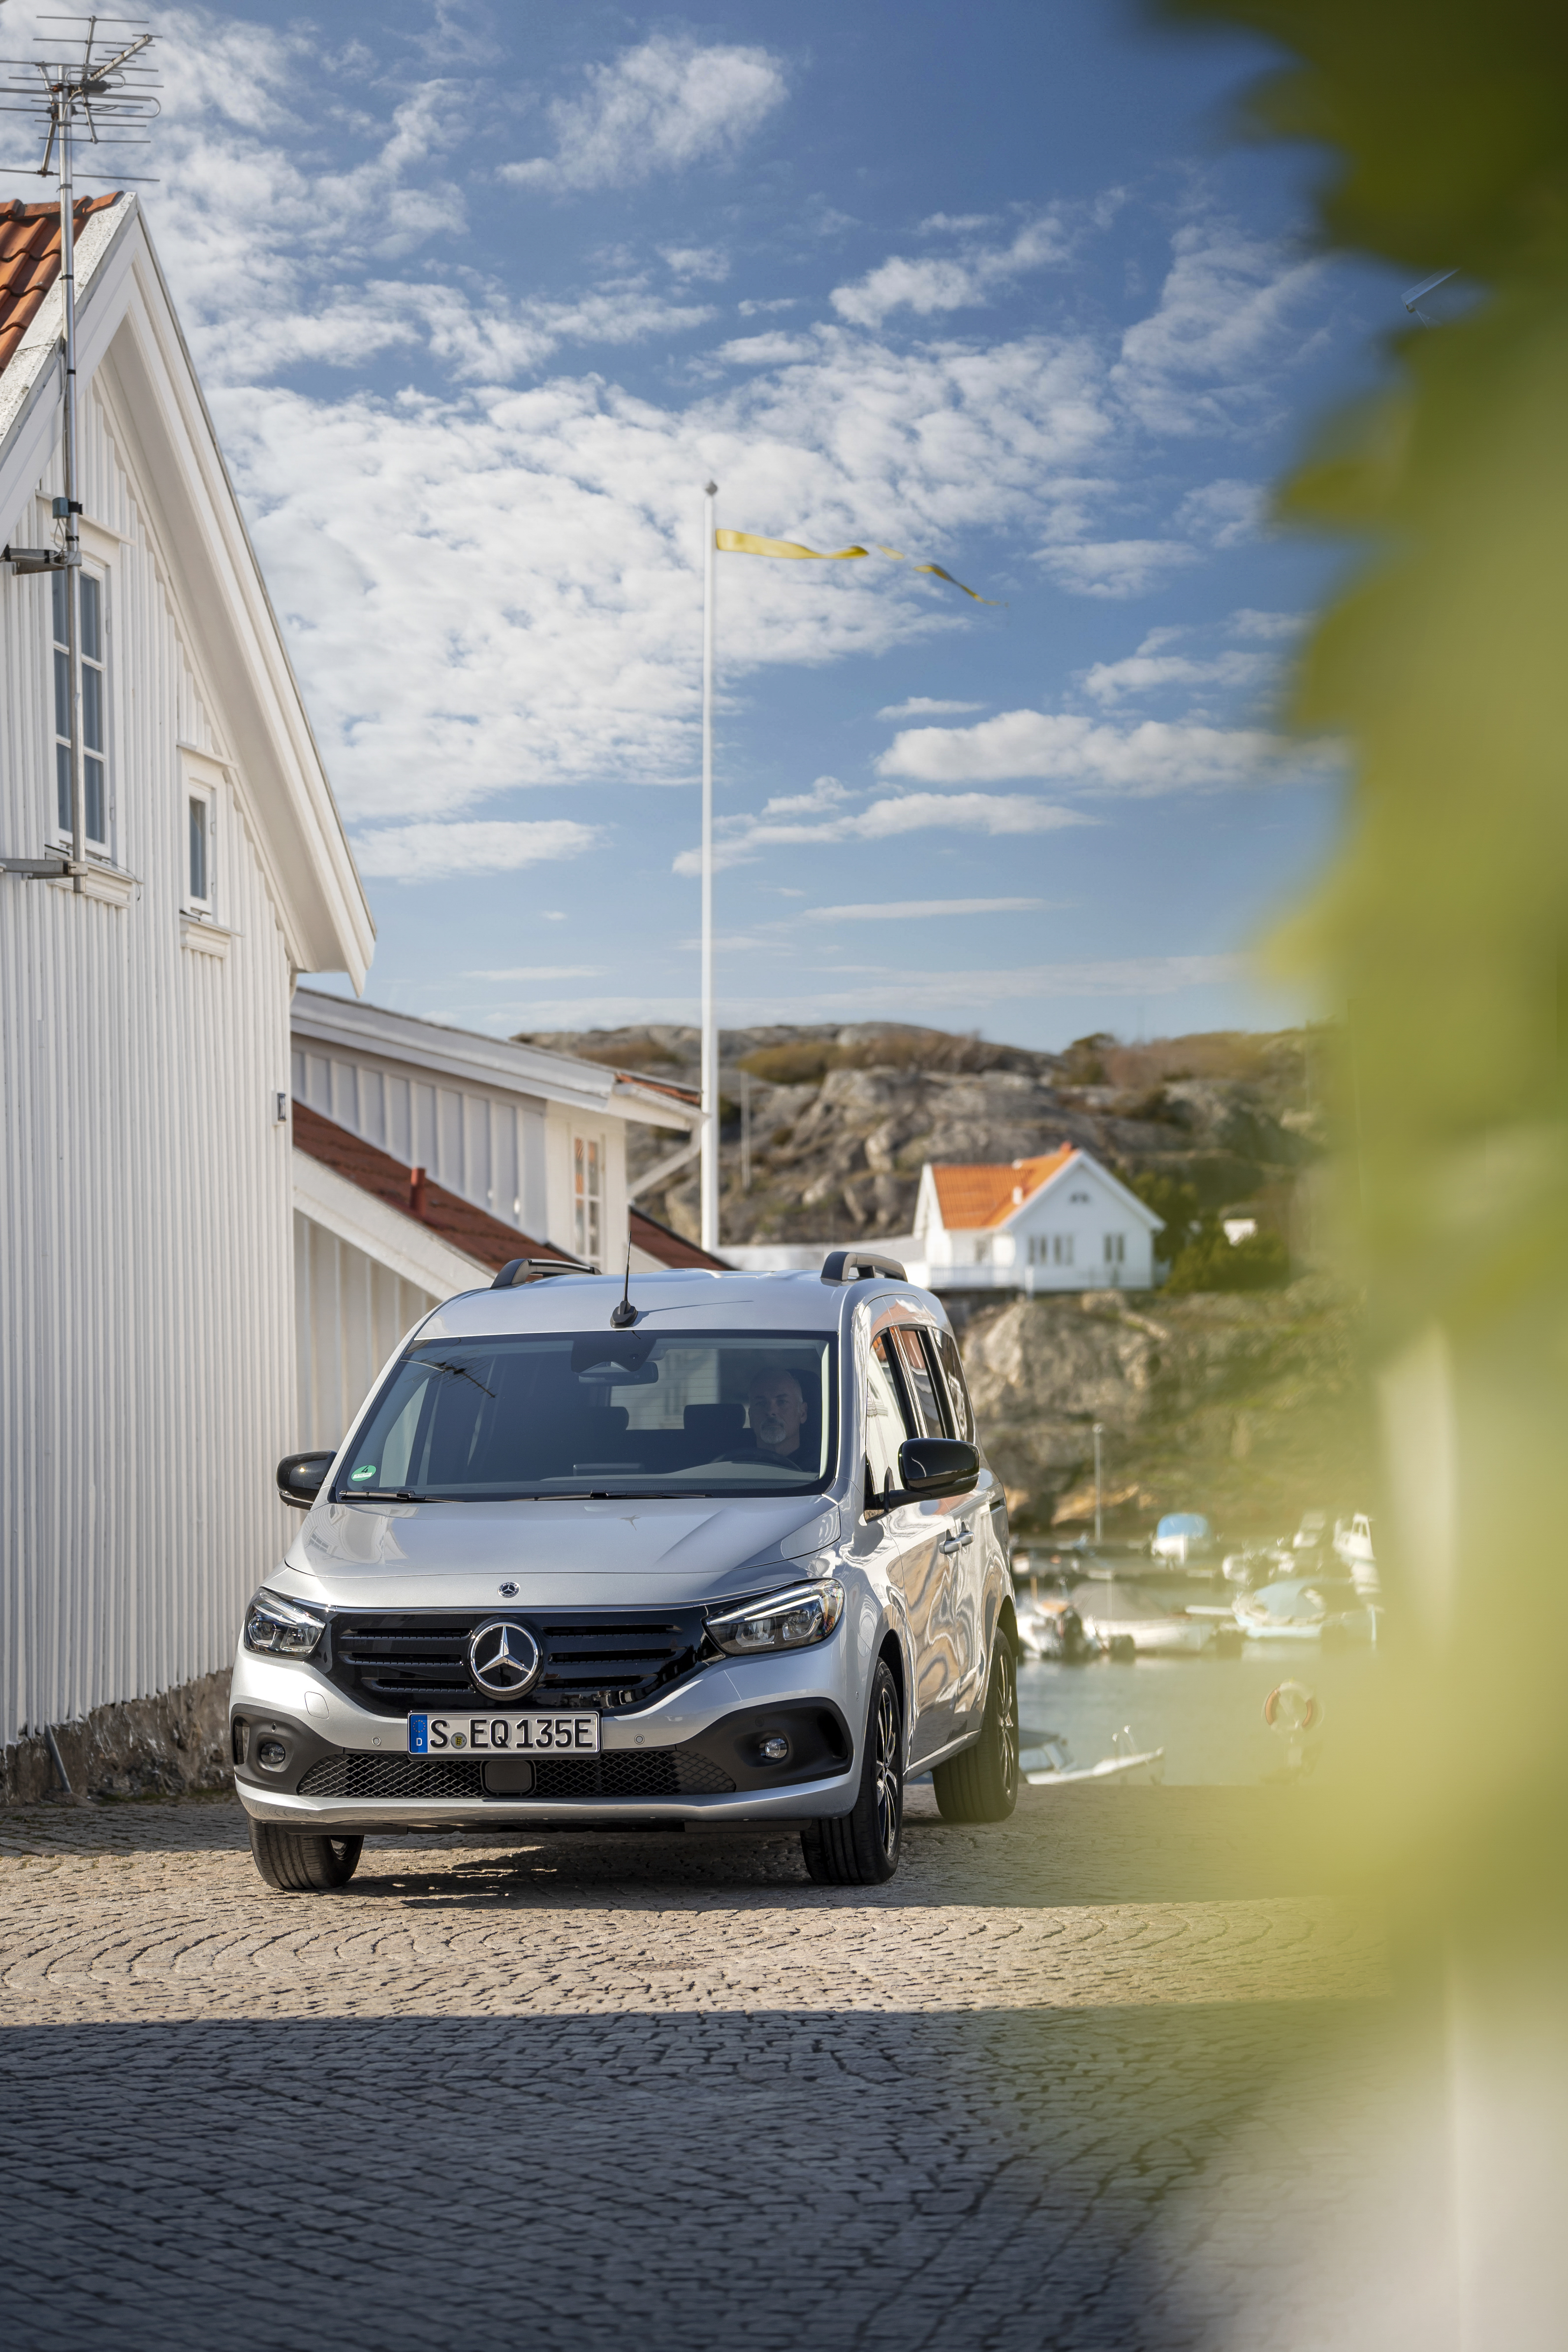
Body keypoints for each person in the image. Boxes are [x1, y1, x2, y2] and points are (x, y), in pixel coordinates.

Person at [740, 1365, 811, 1468]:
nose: (770, 1411)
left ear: (803, 1413)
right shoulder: (733, 1468)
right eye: (761, 1403)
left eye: (782, 1402)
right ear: (751, 1417)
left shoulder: (827, 1468)